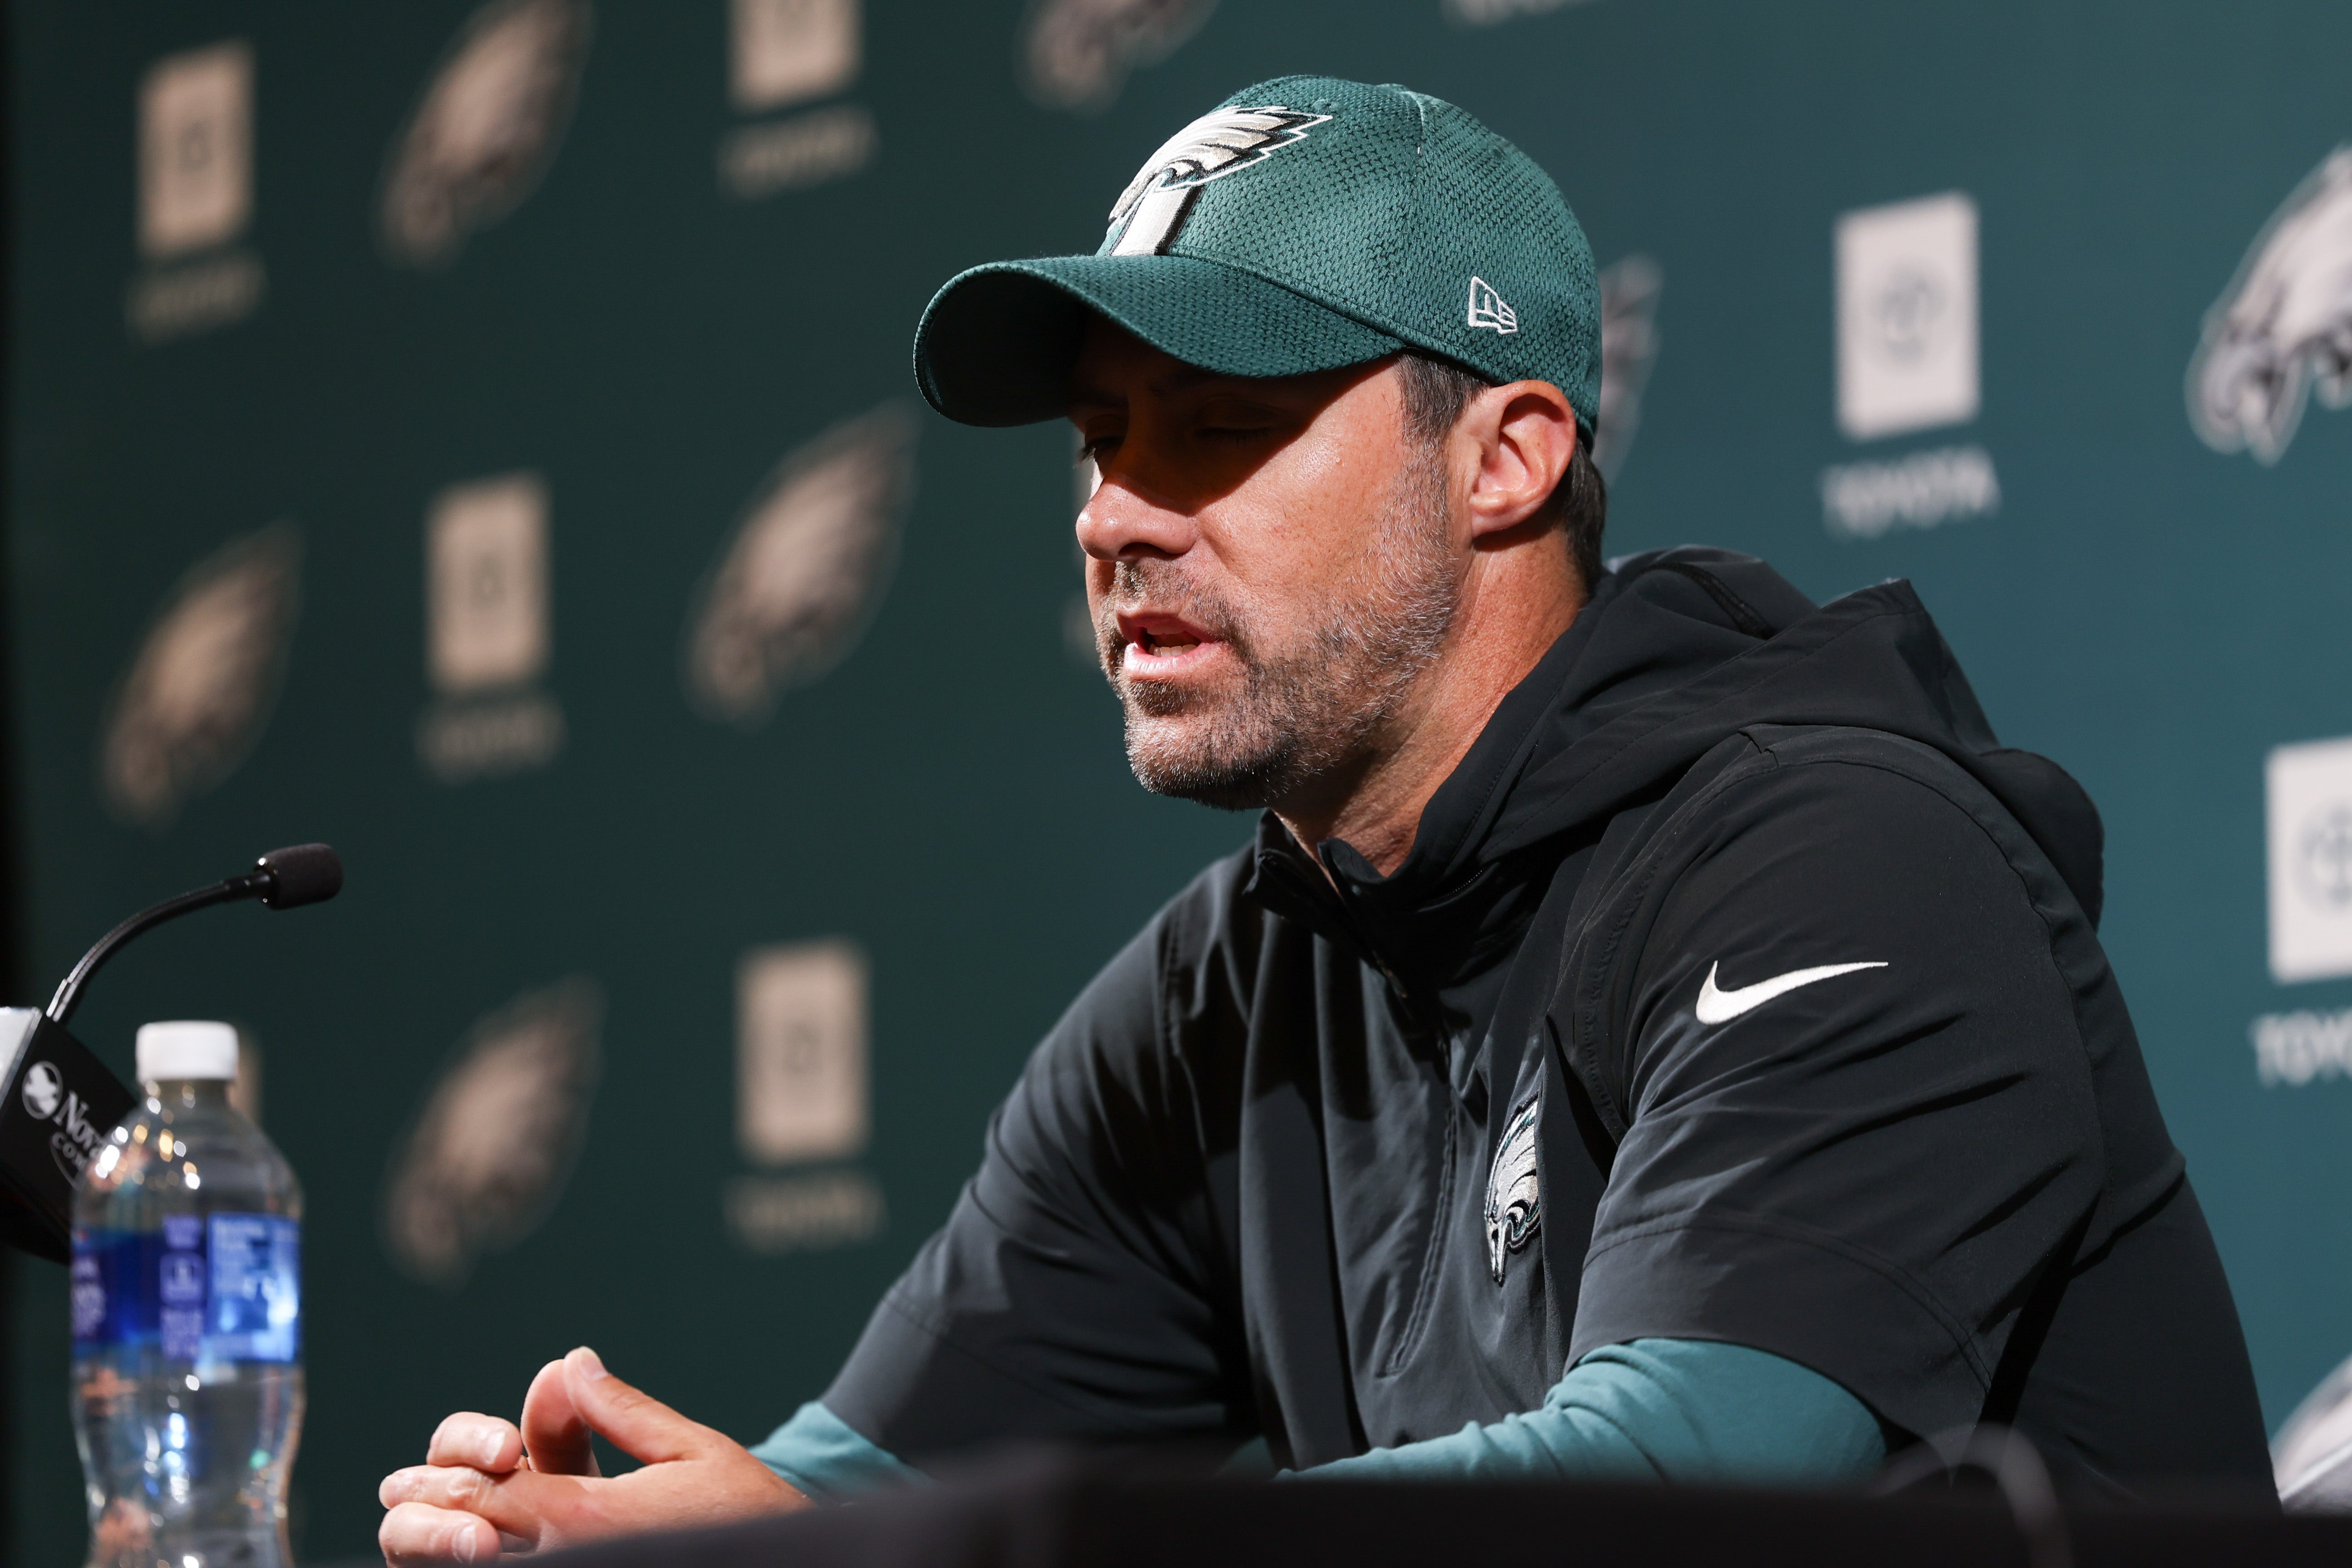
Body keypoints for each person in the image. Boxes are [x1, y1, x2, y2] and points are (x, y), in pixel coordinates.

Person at [377, 73, 2273, 1564]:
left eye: (1214, 420)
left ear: (1509, 459)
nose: (1114, 513)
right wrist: (633, 1528)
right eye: (1099, 438)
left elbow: (1691, 1485)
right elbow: (870, 1480)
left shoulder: (1845, 855)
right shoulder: (1231, 981)